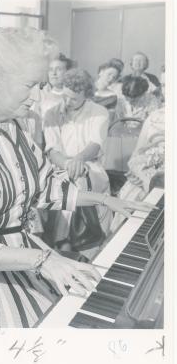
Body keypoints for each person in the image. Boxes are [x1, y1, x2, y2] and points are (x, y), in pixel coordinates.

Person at [0, 27, 155, 328]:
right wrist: (44, 260)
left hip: (16, 250)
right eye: (31, 85)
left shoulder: (14, 127)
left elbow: (44, 187)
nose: (38, 98)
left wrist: (105, 199)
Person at [43, 68, 112, 259]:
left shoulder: (99, 112)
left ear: (86, 95)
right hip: (61, 166)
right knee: (69, 183)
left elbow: (95, 144)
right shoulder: (52, 113)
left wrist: (78, 160)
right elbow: (52, 149)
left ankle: (85, 244)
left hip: (91, 166)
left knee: (80, 182)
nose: (67, 102)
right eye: (65, 96)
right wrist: (67, 164)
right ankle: (64, 244)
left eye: (73, 99)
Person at [110, 106, 164, 232]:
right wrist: (134, 171)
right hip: (146, 173)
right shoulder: (156, 116)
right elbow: (136, 153)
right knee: (130, 199)